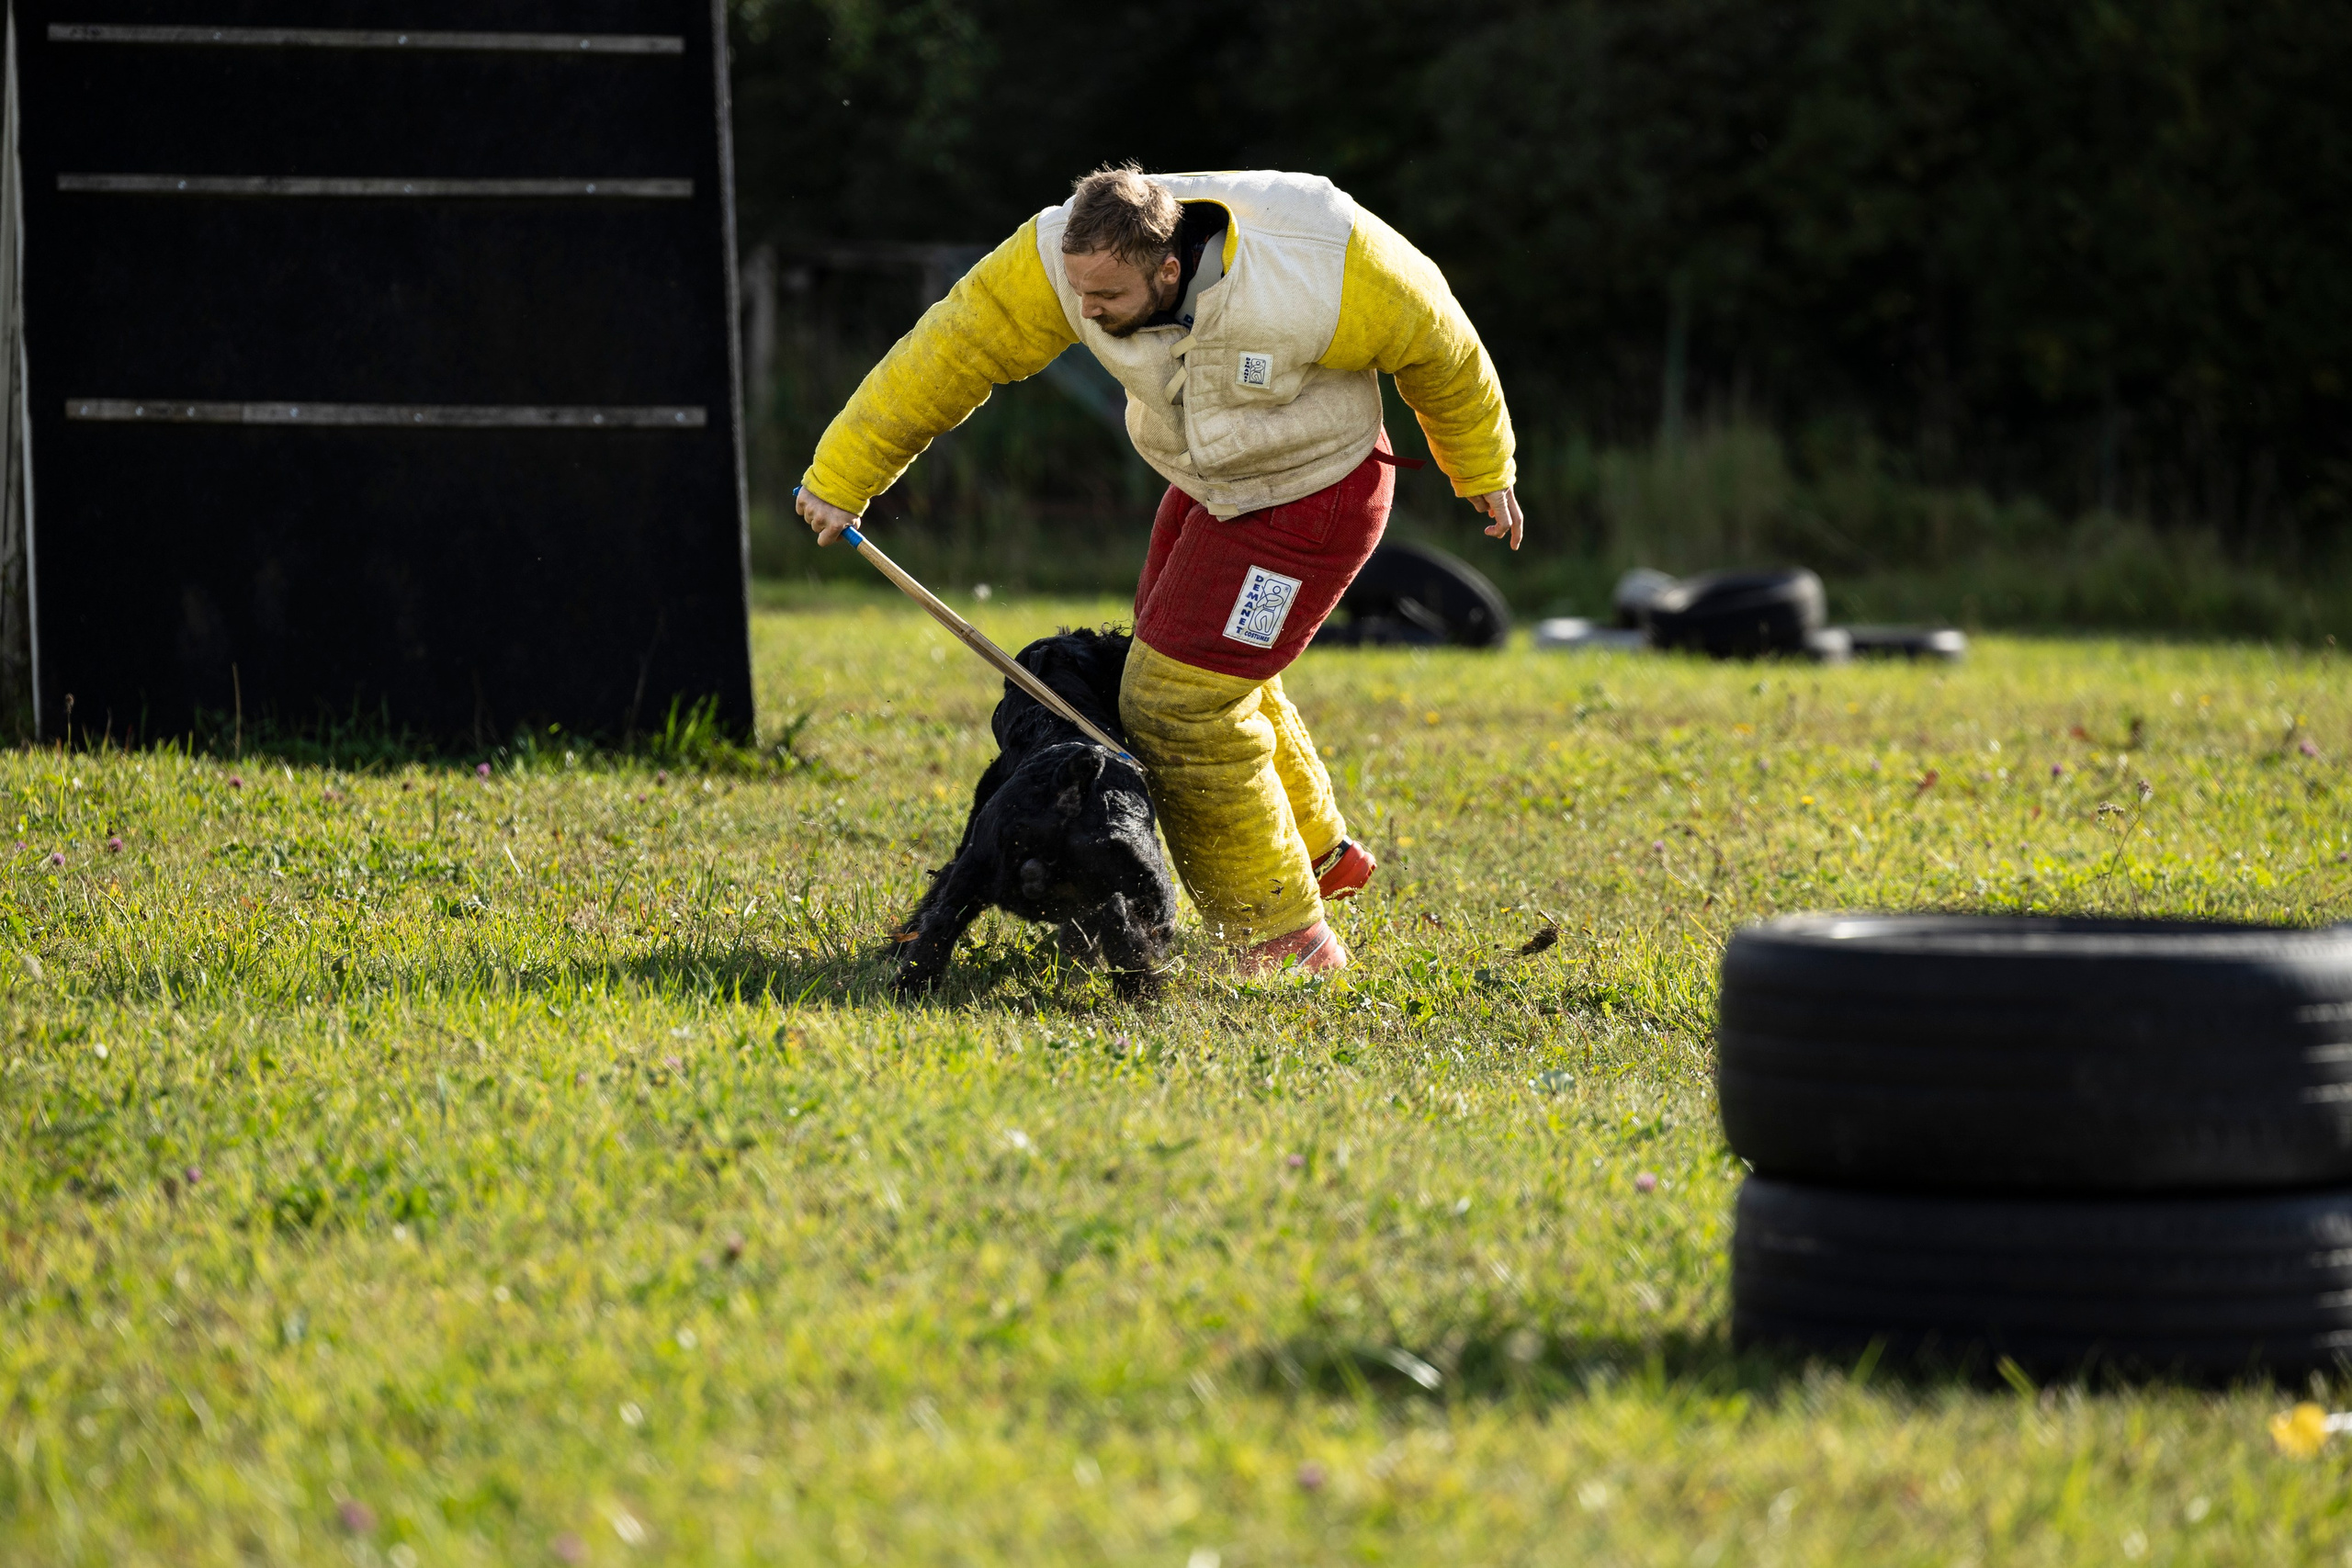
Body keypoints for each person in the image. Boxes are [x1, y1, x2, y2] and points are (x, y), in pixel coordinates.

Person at [796, 164, 1521, 975]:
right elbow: (947, 352)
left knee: (1181, 699)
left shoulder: (1318, 258)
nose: (1088, 313)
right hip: (1210, 483)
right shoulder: (1060, 256)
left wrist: (1481, 467)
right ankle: (1319, 849)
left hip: (1316, 492)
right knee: (1184, 660)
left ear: (1168, 268)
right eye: (1079, 294)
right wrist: (842, 476)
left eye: (1106, 298)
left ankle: (1286, 941)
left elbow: (1443, 345)